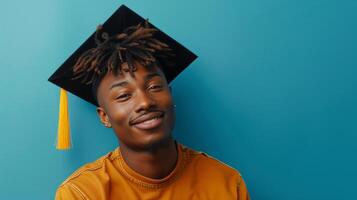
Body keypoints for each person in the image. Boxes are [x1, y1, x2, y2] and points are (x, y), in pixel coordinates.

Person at [49, 5, 250, 200]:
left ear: (170, 95)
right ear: (104, 116)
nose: (145, 102)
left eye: (154, 87)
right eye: (123, 95)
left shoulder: (226, 183)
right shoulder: (82, 194)